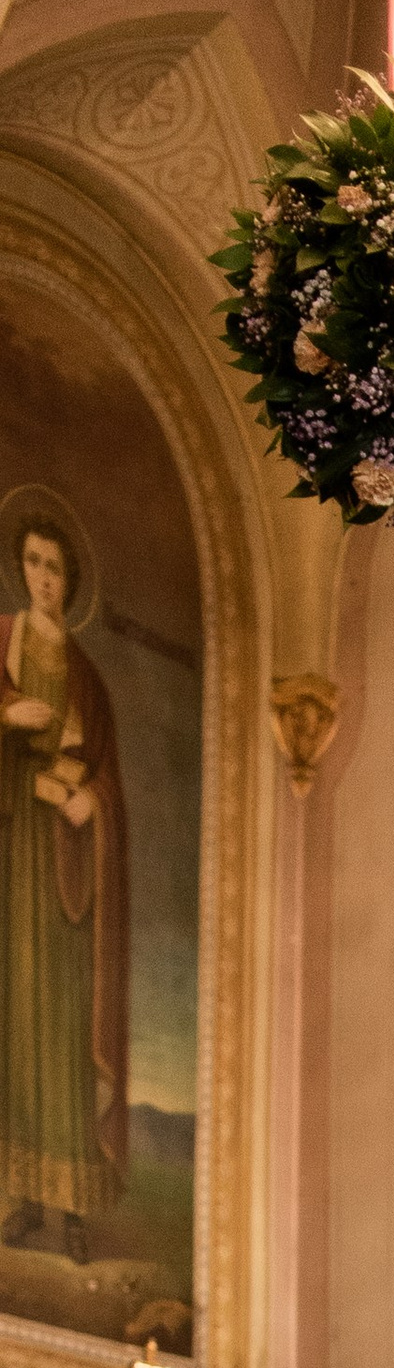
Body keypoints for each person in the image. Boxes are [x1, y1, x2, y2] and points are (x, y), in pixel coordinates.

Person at [0, 513, 127, 1259]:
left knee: (61, 1028)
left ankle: (71, 1206)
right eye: (32, 562)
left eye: (54, 566)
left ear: (70, 581)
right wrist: (8, 714)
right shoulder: (3, 644)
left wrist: (91, 802)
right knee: (14, 1023)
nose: (42, 577)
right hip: (11, 856)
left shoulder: (87, 678)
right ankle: (16, 1200)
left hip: (62, 872)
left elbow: (104, 775)